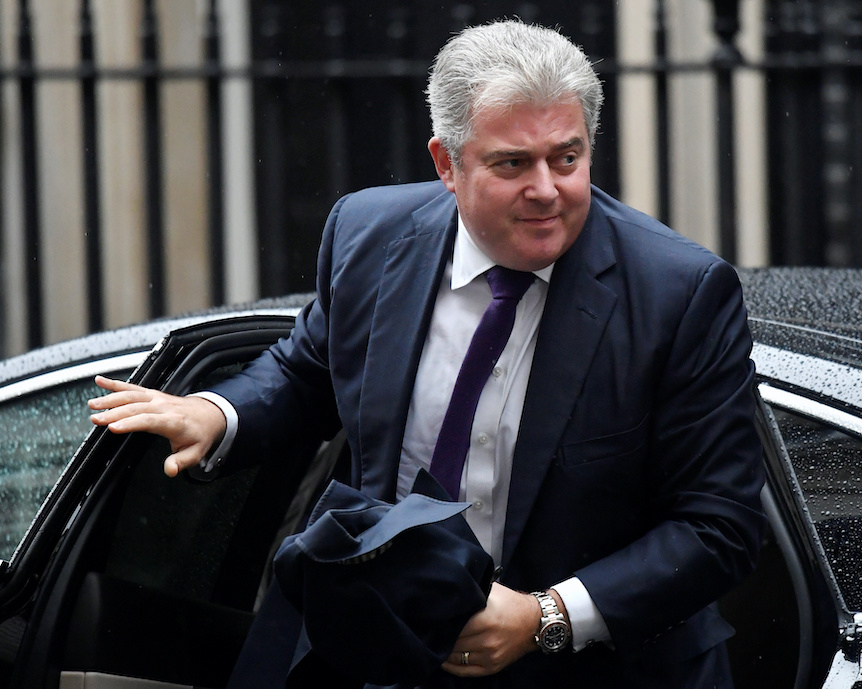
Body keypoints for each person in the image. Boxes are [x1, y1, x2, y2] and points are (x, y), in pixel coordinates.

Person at [89, 20, 766, 688]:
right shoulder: (369, 235)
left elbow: (720, 525)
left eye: (567, 157)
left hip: (597, 667)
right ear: (446, 163)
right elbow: (309, 368)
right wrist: (218, 413)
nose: (546, 189)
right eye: (512, 162)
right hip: (388, 645)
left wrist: (544, 615)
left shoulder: (679, 293)